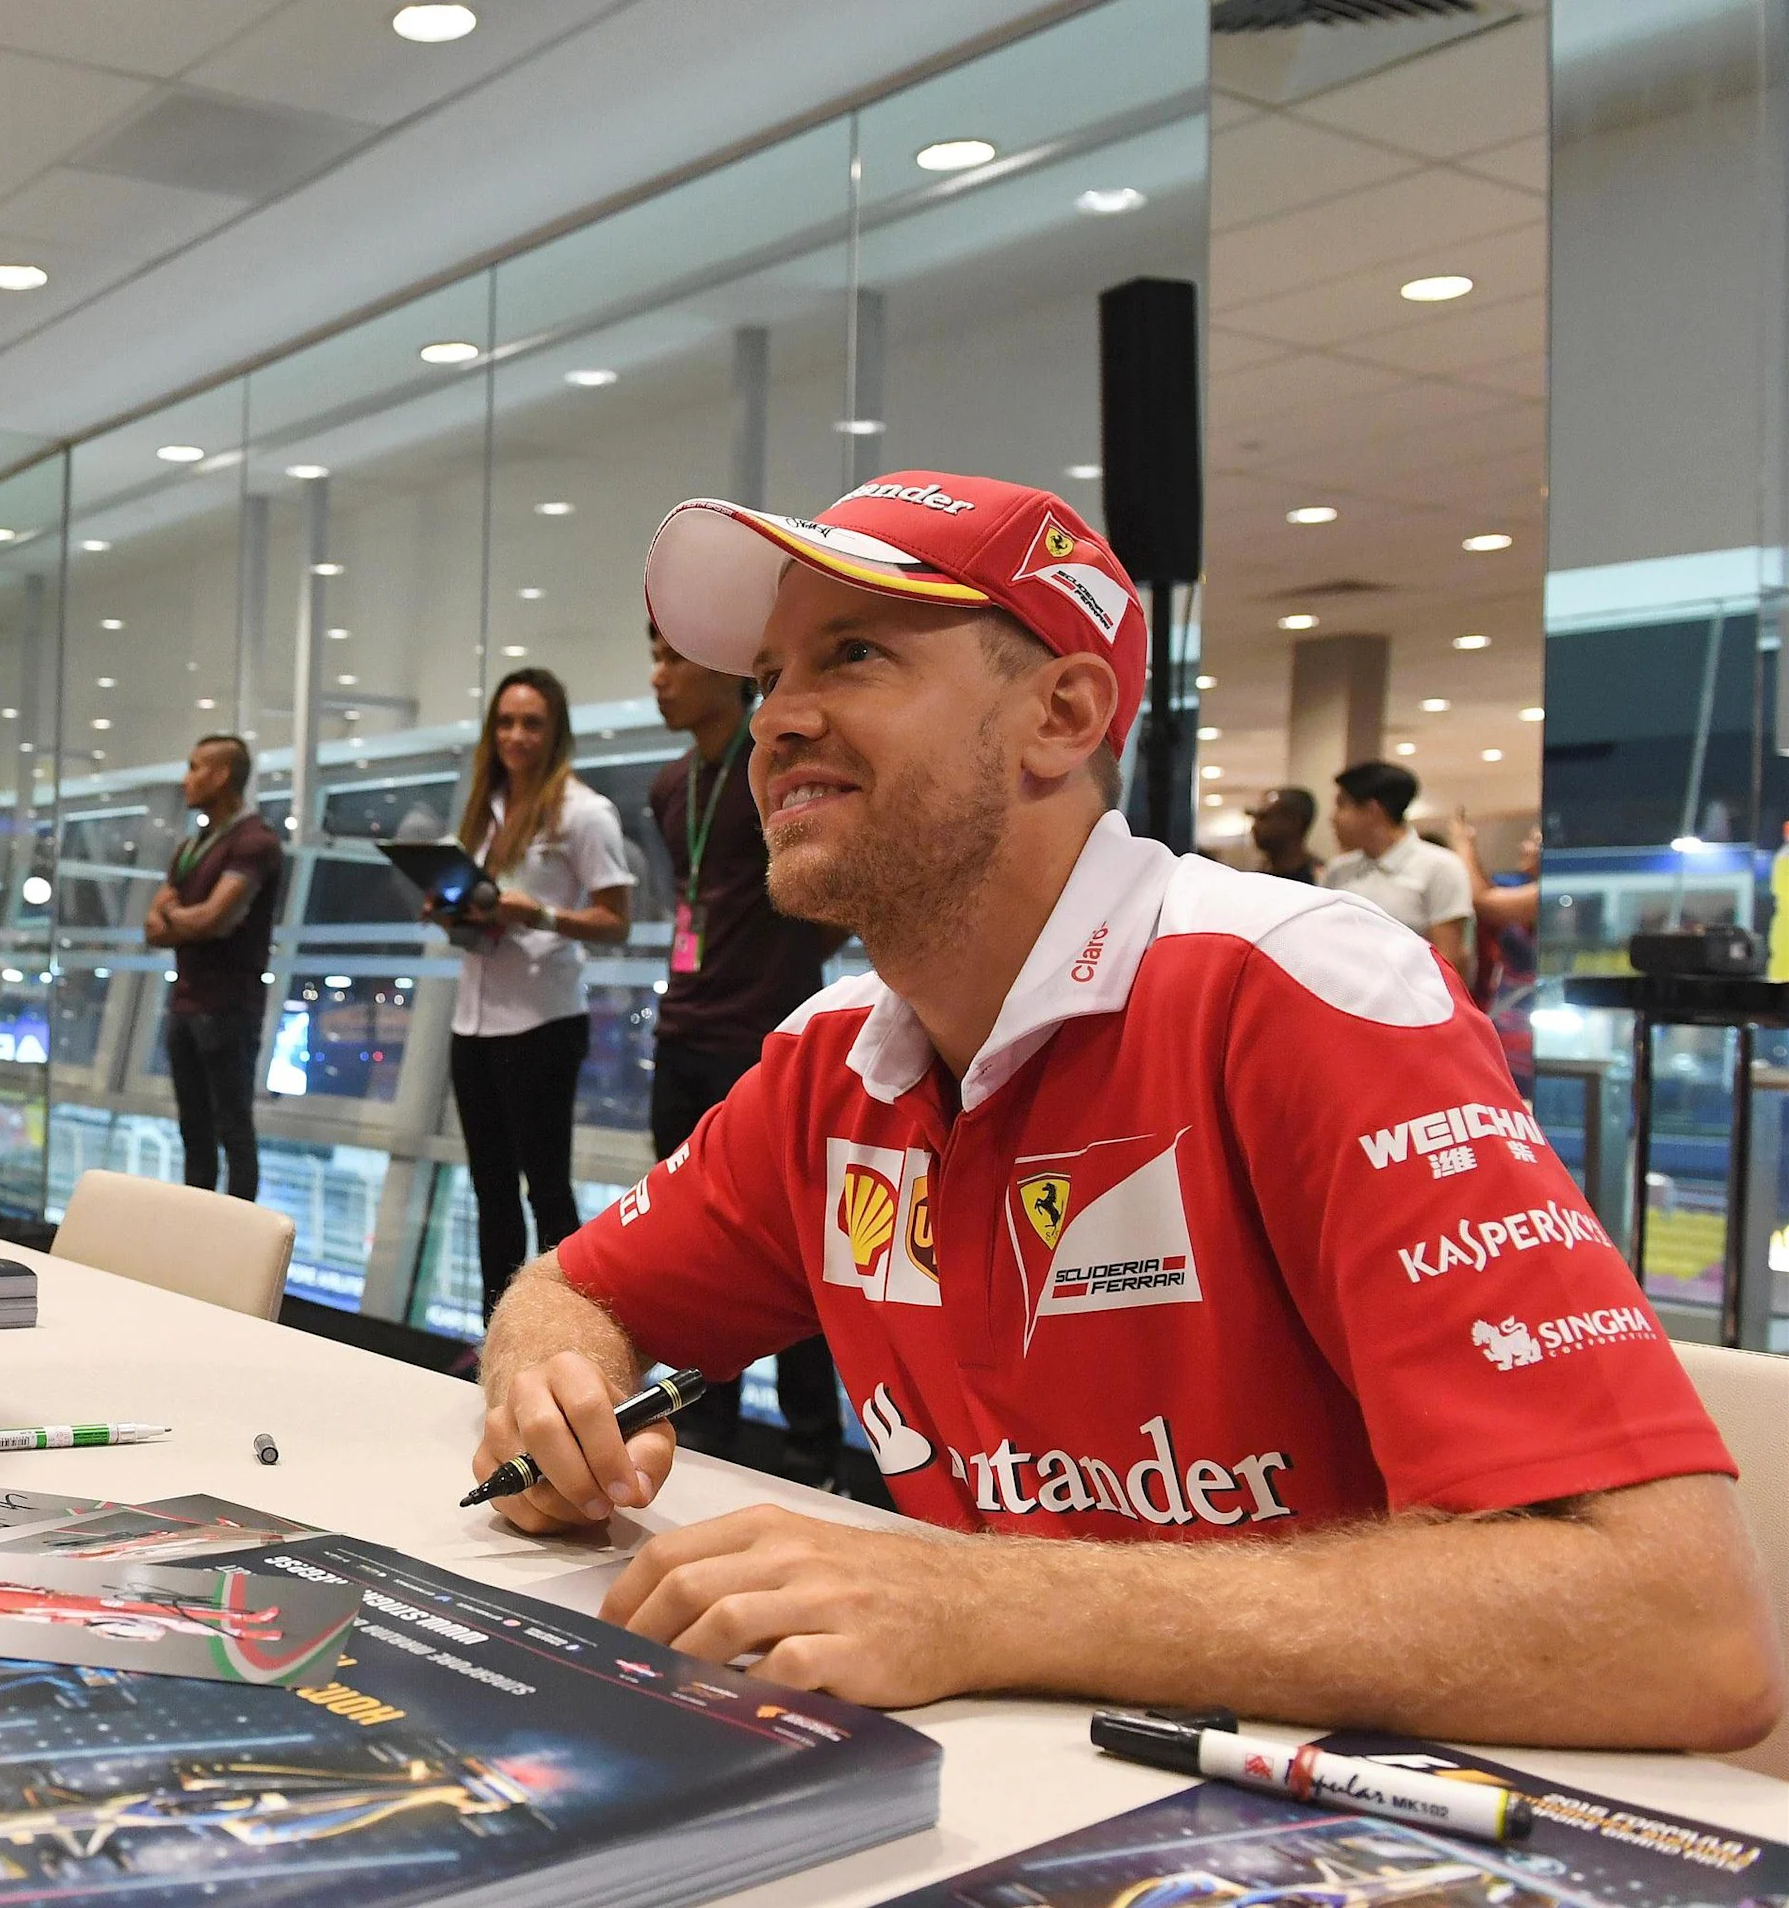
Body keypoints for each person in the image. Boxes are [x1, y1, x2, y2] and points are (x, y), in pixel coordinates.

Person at [469, 468, 1776, 1751]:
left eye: (852, 655)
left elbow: (1677, 1623)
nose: (775, 721)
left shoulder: (1307, 992)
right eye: (767, 678)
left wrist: (987, 1602)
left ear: (1063, 714)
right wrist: (554, 1388)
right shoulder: (831, 1064)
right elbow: (583, 1293)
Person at [643, 620, 843, 1485]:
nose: (659, 676)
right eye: (653, 655)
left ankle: (812, 1452)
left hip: (763, 1035)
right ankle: (708, 1431)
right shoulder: (667, 790)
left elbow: (825, 892)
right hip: (683, 1028)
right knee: (695, 1253)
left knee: (798, 1257)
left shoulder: (776, 780)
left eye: (675, 657)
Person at [436, 669, 632, 1320]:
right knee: (490, 1191)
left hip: (542, 1024)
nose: (516, 736)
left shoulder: (584, 813)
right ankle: (499, 1333)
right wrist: (451, 912)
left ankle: (563, 1334)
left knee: (545, 1191)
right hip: (475, 1021)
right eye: (505, 723)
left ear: (556, 734)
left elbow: (616, 922)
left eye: (531, 723)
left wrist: (540, 915)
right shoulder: (484, 811)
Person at [145, 734, 283, 1200]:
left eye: (195, 766)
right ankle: (196, 1239)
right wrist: (189, 921)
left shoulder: (255, 842)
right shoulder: (192, 845)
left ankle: (241, 1248)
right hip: (187, 1005)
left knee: (233, 1132)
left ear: (222, 775)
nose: (186, 778)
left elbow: (212, 918)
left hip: (228, 1008)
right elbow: (155, 925)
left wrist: (178, 918)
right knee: (194, 1131)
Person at [1321, 761, 1470, 967]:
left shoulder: (1440, 867)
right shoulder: (1338, 870)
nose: (1333, 818)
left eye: (1341, 805)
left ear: (1372, 811)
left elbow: (1449, 958)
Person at [1454, 809, 1540, 1104]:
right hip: (1510, 1021)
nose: (1524, 847)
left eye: (1534, 841)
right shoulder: (1525, 889)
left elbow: (1485, 902)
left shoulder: (1547, 893)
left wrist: (1462, 844)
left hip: (1528, 1030)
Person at [1247, 785, 1319, 881]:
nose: (1255, 826)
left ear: (1294, 822)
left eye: (1264, 817)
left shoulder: (1321, 881)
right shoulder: (1257, 880)